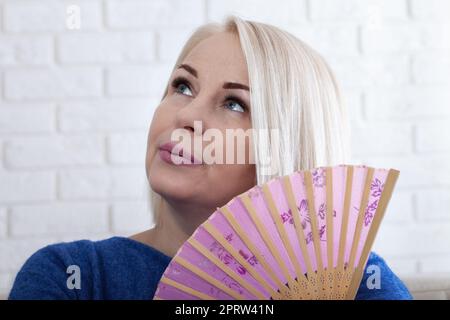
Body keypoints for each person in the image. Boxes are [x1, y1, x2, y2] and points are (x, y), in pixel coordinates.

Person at [8, 15, 412, 300]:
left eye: (235, 104)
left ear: (285, 146)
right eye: (182, 86)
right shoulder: (70, 276)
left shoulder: (353, 284)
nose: (185, 115)